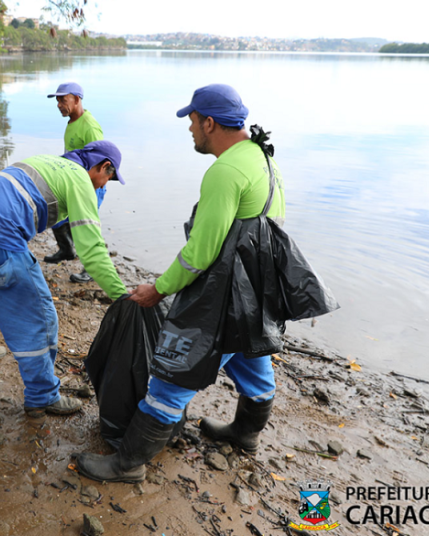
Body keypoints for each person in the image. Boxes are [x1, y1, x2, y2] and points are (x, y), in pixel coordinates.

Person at [75, 84, 286, 483]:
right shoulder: (263, 158)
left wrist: (159, 289)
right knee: (252, 360)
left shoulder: (226, 171)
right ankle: (245, 434)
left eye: (192, 122)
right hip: (260, 286)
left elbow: (201, 252)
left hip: (226, 293)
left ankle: (128, 463)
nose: (190, 130)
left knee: (173, 377)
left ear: (209, 123)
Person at [0, 141, 127, 418]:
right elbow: (91, 250)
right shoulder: (81, 180)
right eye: (109, 179)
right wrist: (122, 296)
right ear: (104, 166)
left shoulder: (49, 162)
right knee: (40, 317)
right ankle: (42, 396)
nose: (104, 186)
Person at [43, 82, 104, 285]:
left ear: (77, 99)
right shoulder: (72, 121)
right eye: (58, 100)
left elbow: (101, 161)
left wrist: (88, 189)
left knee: (85, 226)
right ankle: (67, 250)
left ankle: (94, 269)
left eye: (63, 100)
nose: (59, 104)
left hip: (90, 185)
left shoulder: (90, 126)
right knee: (56, 215)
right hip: (73, 182)